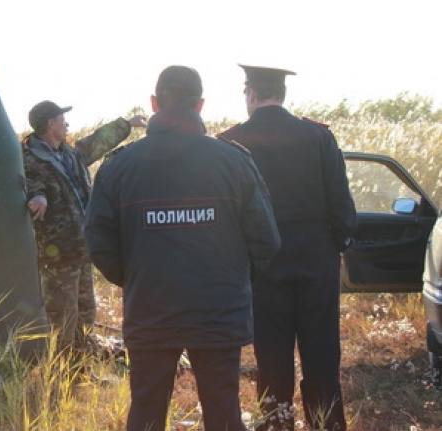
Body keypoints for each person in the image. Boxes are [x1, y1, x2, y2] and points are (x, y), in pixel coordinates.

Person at [85, 65, 281, 431]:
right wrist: (233, 280)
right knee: (224, 414)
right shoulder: (234, 161)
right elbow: (265, 240)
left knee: (145, 414)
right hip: (218, 310)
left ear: (154, 103)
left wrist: (138, 278)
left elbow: (99, 244)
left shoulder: (119, 166)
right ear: (200, 105)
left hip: (151, 309)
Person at [219, 64, 357, 431]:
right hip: (316, 257)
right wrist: (336, 245)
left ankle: (275, 423)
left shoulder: (231, 142)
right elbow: (342, 206)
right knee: (322, 351)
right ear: (283, 94)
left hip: (262, 263)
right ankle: (326, 423)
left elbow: (227, 212)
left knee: (272, 355)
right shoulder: (318, 136)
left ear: (250, 94)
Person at [22, 100, 146, 365]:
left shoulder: (69, 154)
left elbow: (97, 142)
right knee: (62, 322)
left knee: (86, 316)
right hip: (57, 257)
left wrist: (127, 124)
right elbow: (29, 183)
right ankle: (58, 376)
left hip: (81, 250)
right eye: (62, 119)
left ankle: (79, 372)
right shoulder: (29, 159)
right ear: (51, 124)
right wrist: (38, 196)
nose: (66, 123)